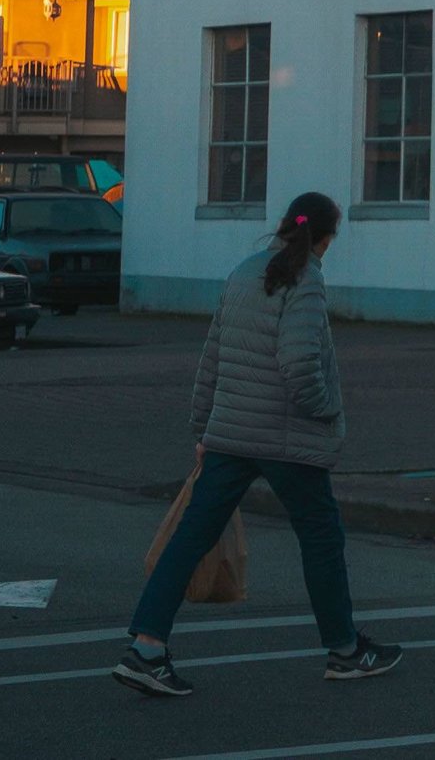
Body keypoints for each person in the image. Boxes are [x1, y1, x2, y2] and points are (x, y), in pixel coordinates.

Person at [114, 193, 403, 696]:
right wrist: (325, 407)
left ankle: (146, 648)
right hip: (286, 438)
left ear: (285, 226)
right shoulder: (308, 279)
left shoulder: (244, 270)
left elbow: (213, 354)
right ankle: (344, 650)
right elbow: (298, 366)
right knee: (321, 539)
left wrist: (202, 428)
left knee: (189, 538)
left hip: (230, 433)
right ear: (327, 238)